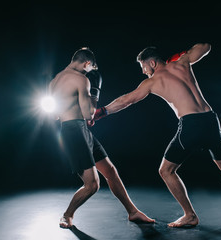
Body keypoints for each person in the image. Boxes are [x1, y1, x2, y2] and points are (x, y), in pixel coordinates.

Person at [92, 43, 221, 228]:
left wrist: (101, 112)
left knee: (166, 171)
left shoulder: (152, 82)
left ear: (152, 63)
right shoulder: (183, 63)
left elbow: (126, 100)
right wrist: (182, 55)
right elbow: (206, 46)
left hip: (191, 125)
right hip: (210, 119)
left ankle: (190, 215)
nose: (144, 72)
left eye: (144, 67)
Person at [49, 47, 154, 228]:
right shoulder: (82, 79)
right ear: (87, 63)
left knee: (110, 171)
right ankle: (67, 215)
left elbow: (55, 115)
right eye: (90, 68)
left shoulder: (54, 81)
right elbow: (89, 114)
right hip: (75, 132)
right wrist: (95, 92)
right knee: (92, 185)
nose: (90, 72)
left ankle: (133, 212)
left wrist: (76, 113)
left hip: (75, 129)